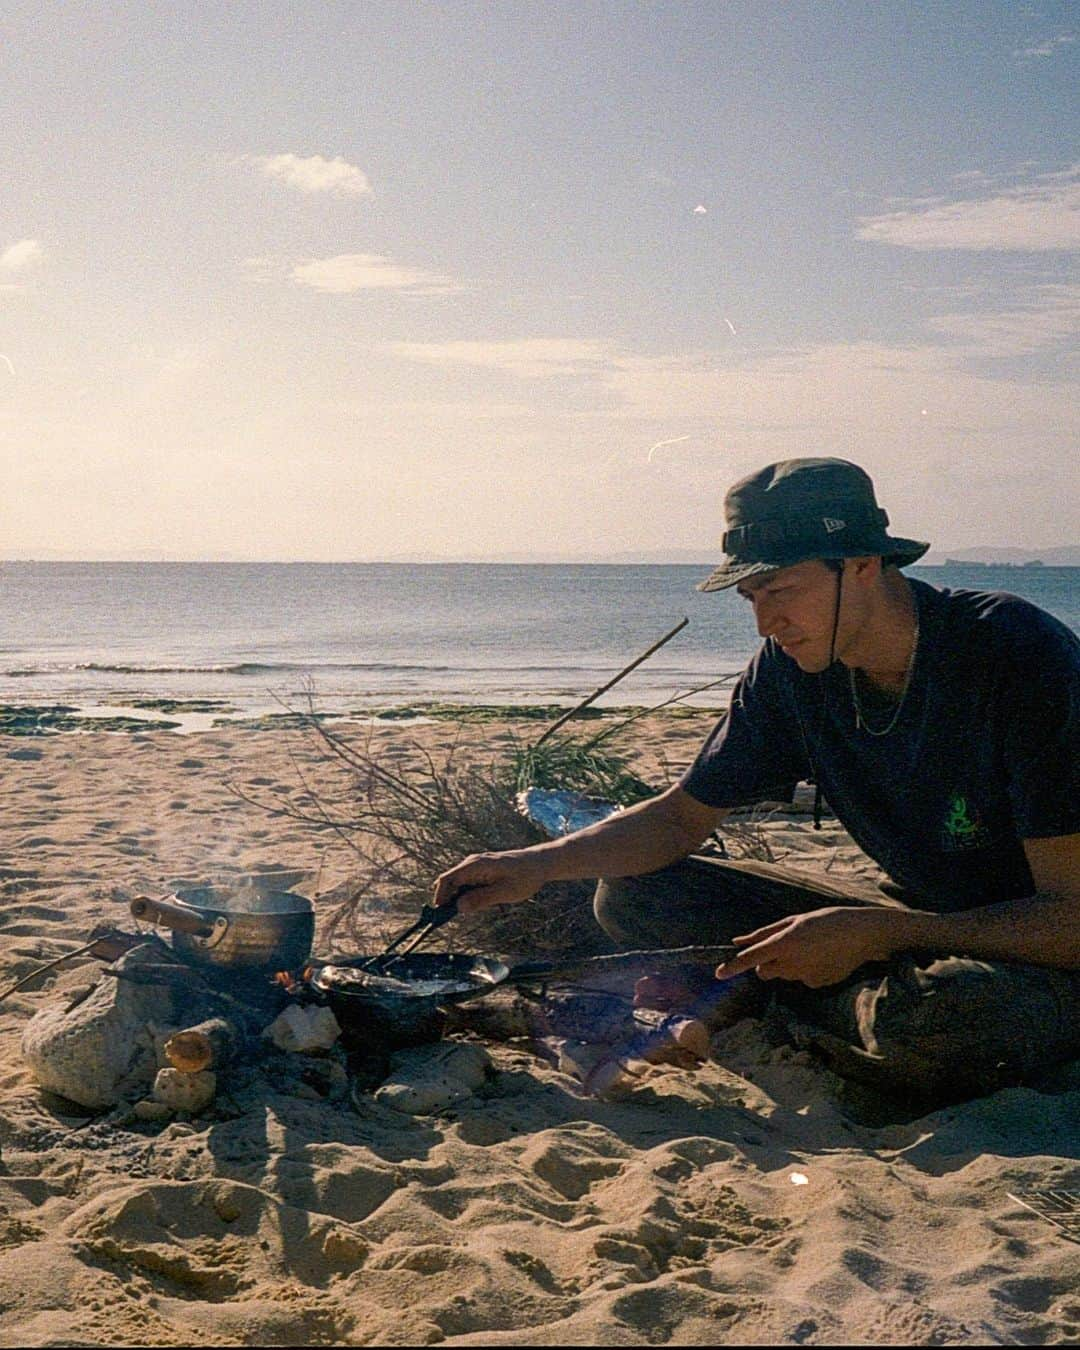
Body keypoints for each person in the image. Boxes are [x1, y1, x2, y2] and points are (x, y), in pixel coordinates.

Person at [434, 458, 1080, 1106]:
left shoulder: (1013, 654)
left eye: (780, 590)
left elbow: (1071, 919)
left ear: (860, 564)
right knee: (630, 893)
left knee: (945, 1017)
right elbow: (678, 821)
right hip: (908, 919)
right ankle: (829, 997)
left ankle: (789, 1001)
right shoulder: (792, 670)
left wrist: (875, 935)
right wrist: (536, 864)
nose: (766, 623)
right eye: (752, 599)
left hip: (1039, 949)